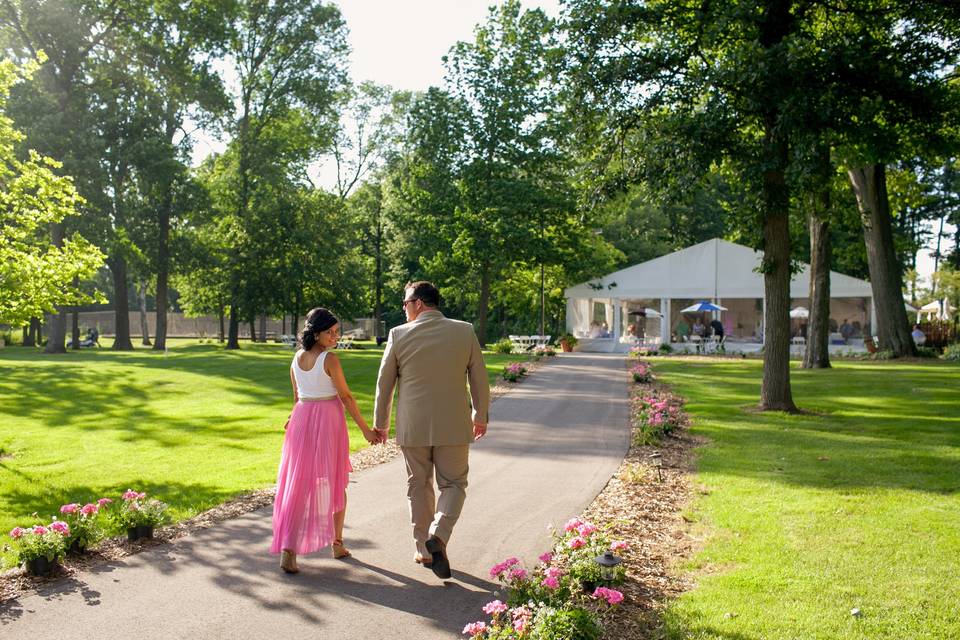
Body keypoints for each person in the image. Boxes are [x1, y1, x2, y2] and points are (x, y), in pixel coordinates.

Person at [374, 281, 490, 579]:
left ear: (419, 303)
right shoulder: (464, 331)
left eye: (405, 303)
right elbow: (479, 377)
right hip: (453, 423)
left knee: (418, 483)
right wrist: (480, 415)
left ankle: (424, 550)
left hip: (413, 426)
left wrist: (381, 424)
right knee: (454, 484)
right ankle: (438, 534)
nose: (403, 308)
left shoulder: (398, 335)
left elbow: (384, 384)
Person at [271, 308, 378, 574]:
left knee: (298, 485)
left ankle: (289, 549)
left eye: (337, 331)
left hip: (302, 420)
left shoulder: (296, 358)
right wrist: (366, 430)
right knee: (334, 481)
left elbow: (297, 398)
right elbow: (347, 398)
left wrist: (291, 418)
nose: (335, 336)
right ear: (316, 333)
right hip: (327, 420)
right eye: (330, 332)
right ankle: (337, 543)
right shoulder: (330, 359)